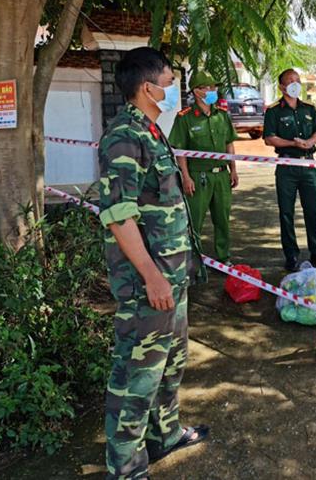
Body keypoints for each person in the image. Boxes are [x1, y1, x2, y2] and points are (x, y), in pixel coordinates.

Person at [98, 47, 208, 480]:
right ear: (148, 88)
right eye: (169, 81)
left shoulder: (152, 130)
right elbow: (118, 216)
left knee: (171, 361)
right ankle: (125, 468)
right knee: (137, 374)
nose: (173, 88)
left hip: (171, 277)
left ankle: (164, 435)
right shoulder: (125, 136)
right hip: (150, 284)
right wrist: (152, 277)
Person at [263, 68, 316, 272]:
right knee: (286, 212)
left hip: (308, 164)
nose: (295, 83)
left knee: (313, 210)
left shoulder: (309, 108)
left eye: (297, 80)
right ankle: (291, 254)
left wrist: (309, 141)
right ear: (282, 87)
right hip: (287, 166)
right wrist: (292, 143)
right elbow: (269, 138)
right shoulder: (274, 110)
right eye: (290, 81)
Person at [169, 70, 239, 266]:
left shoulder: (222, 115)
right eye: (207, 87)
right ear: (196, 91)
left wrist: (233, 169)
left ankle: (224, 258)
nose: (212, 90)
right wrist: (185, 176)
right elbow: (181, 150)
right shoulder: (185, 118)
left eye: (213, 86)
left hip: (221, 176)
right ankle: (194, 261)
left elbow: (229, 144)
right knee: (195, 221)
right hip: (198, 176)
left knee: (223, 220)